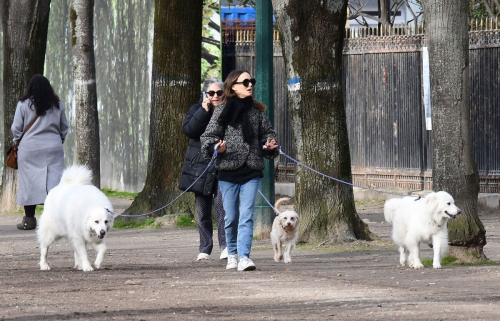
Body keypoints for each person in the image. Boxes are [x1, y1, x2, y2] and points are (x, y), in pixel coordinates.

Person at [201, 70, 279, 271]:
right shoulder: (220, 111)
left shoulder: (258, 112)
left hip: (252, 169)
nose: (250, 84)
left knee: (246, 215)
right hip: (227, 171)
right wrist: (217, 148)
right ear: (232, 86)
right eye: (245, 82)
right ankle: (232, 254)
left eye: (251, 81)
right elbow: (208, 138)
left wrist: (269, 145)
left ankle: (245, 257)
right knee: (231, 217)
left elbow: (268, 135)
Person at [11, 74, 68, 230]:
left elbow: (16, 128)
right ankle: (56, 221)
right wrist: (58, 140)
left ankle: (29, 220)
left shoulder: (23, 104)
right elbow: (64, 127)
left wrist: (19, 140)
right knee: (54, 183)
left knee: (30, 183)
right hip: (53, 148)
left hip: (29, 149)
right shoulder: (58, 105)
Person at [179, 79, 228, 261]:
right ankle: (205, 248)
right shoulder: (196, 110)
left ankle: (226, 246)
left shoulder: (229, 112)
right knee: (202, 210)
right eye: (211, 93)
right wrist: (204, 110)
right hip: (200, 166)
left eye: (219, 93)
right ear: (205, 94)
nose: (215, 96)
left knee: (223, 207)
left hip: (222, 166)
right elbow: (190, 130)